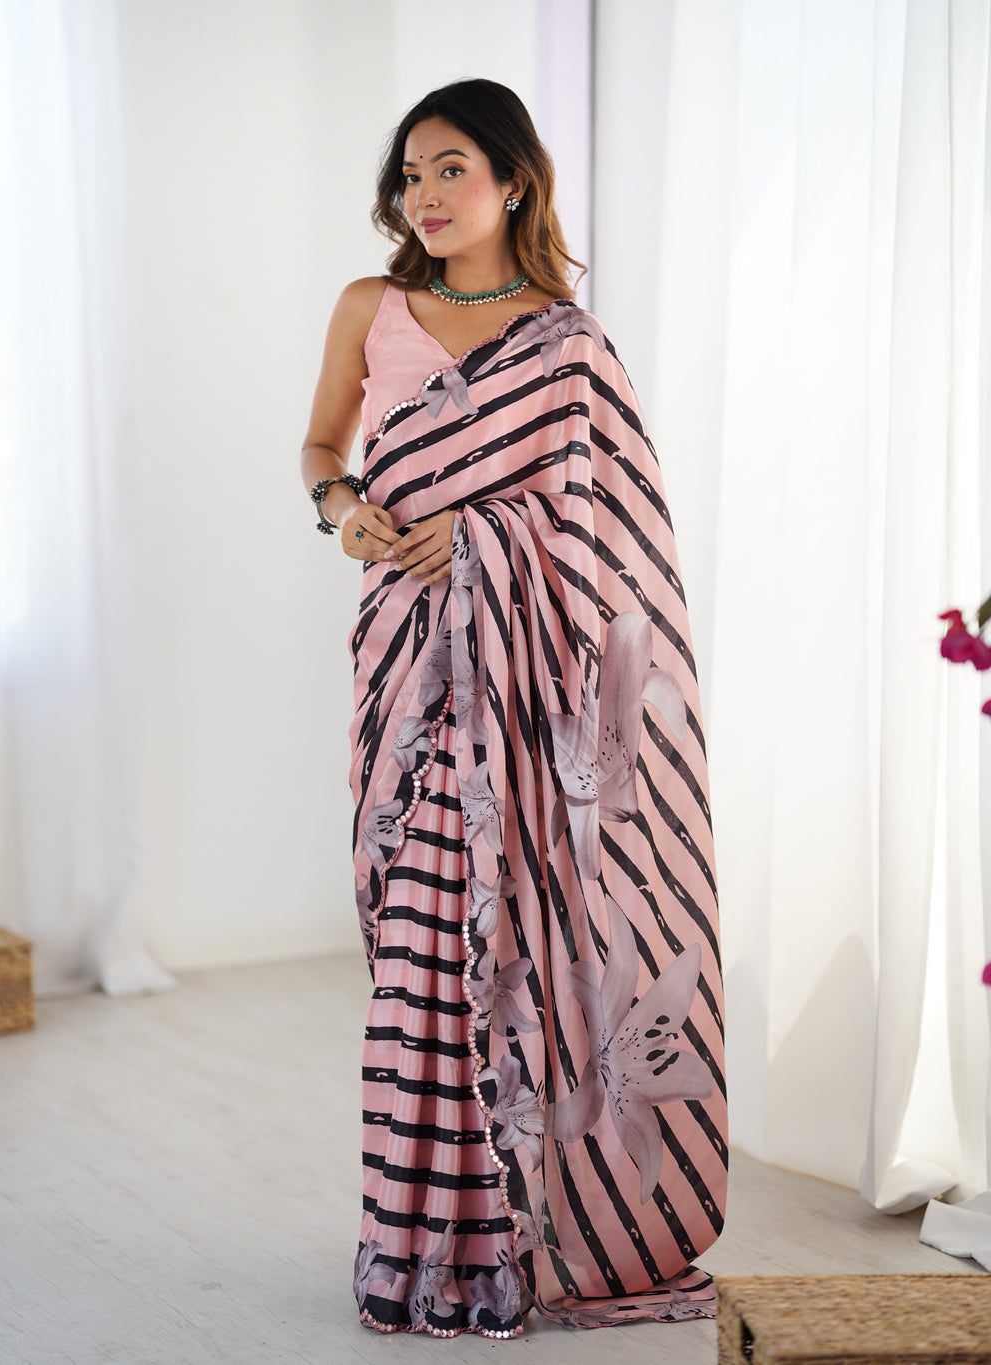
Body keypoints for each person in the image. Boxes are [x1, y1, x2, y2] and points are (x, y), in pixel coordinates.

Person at [301, 79, 727, 1340]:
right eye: (409, 177)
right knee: (418, 962)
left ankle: (516, 1243)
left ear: (513, 182)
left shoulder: (569, 344)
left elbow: (612, 538)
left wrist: (485, 537)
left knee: (514, 954)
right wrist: (345, 516)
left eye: (449, 172)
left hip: (529, 705)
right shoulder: (368, 309)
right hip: (409, 673)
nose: (424, 198)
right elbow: (324, 450)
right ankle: (416, 1238)